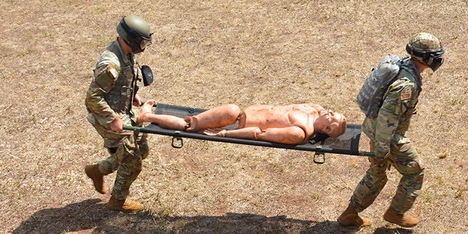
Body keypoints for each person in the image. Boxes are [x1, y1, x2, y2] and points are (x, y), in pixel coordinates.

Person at [338, 32, 445, 229]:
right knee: (415, 172)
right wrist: (382, 147)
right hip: (387, 136)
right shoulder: (406, 85)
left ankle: (350, 214)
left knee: (377, 173)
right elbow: (388, 117)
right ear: (426, 58)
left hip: (374, 129)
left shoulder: (404, 66)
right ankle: (396, 213)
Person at [84, 15, 154, 212]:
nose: (143, 45)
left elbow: (124, 81)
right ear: (130, 38)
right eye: (141, 41)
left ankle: (97, 170)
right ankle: (117, 201)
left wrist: (133, 96)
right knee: (133, 162)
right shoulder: (111, 63)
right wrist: (112, 119)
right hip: (107, 117)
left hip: (123, 112)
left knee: (142, 150)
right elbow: (93, 99)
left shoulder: (126, 52)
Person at [135, 101, 347, 145]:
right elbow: (319, 108)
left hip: (236, 122)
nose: (330, 112)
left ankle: (147, 117)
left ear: (327, 129)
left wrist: (225, 134)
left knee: (187, 126)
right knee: (232, 110)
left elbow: (259, 134)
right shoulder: (314, 109)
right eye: (333, 111)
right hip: (239, 114)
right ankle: (148, 115)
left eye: (332, 117)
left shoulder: (301, 132)